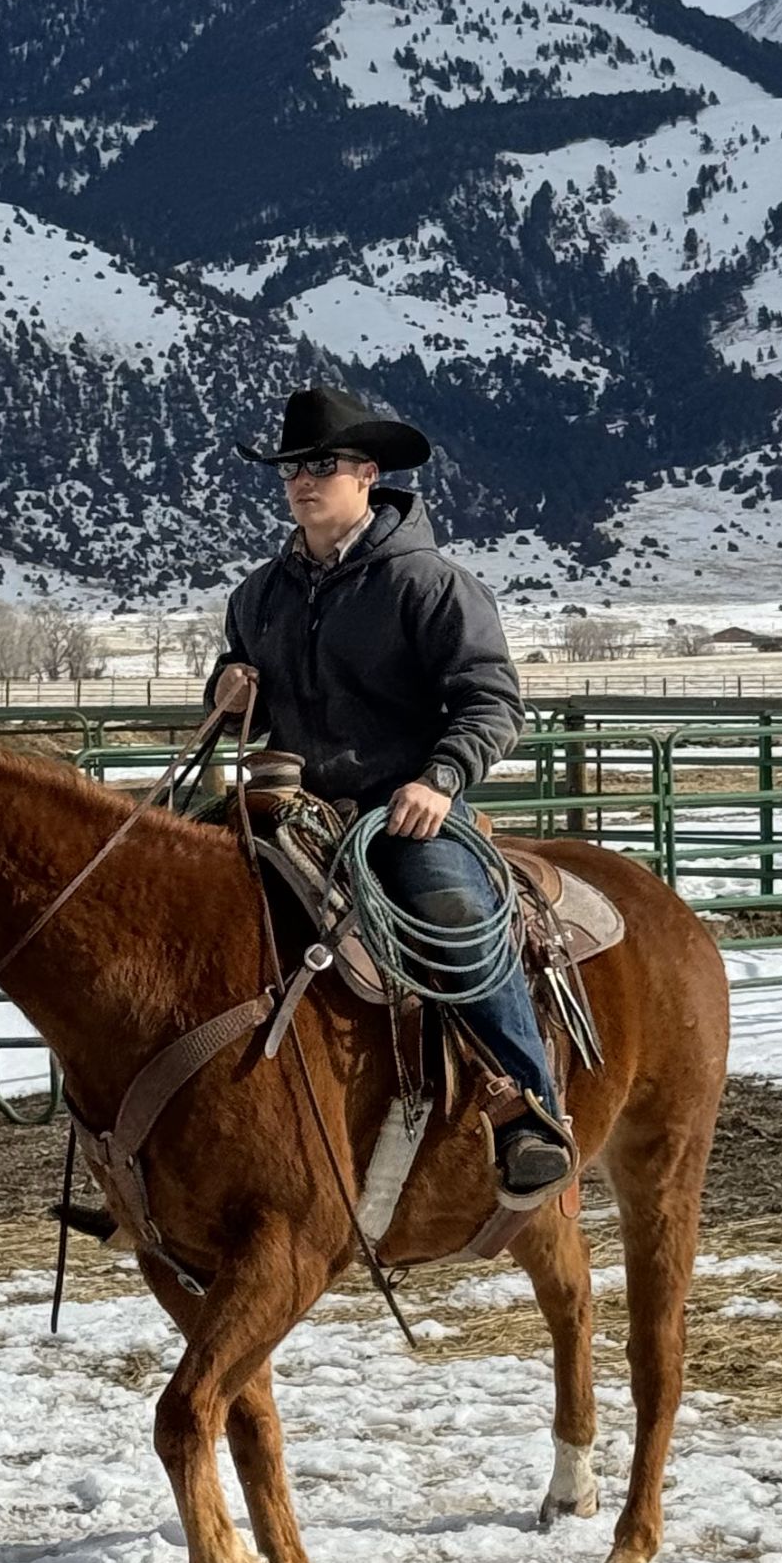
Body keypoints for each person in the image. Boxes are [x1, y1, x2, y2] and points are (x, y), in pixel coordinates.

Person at [207, 386, 573, 1201]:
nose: (304, 482)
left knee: (454, 914)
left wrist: (440, 780)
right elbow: (242, 686)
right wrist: (229, 689)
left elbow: (491, 701)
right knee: (169, 890)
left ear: (368, 475)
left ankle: (526, 1106)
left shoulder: (430, 584)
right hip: (290, 804)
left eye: (323, 466)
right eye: (292, 469)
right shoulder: (259, 594)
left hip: (402, 809)